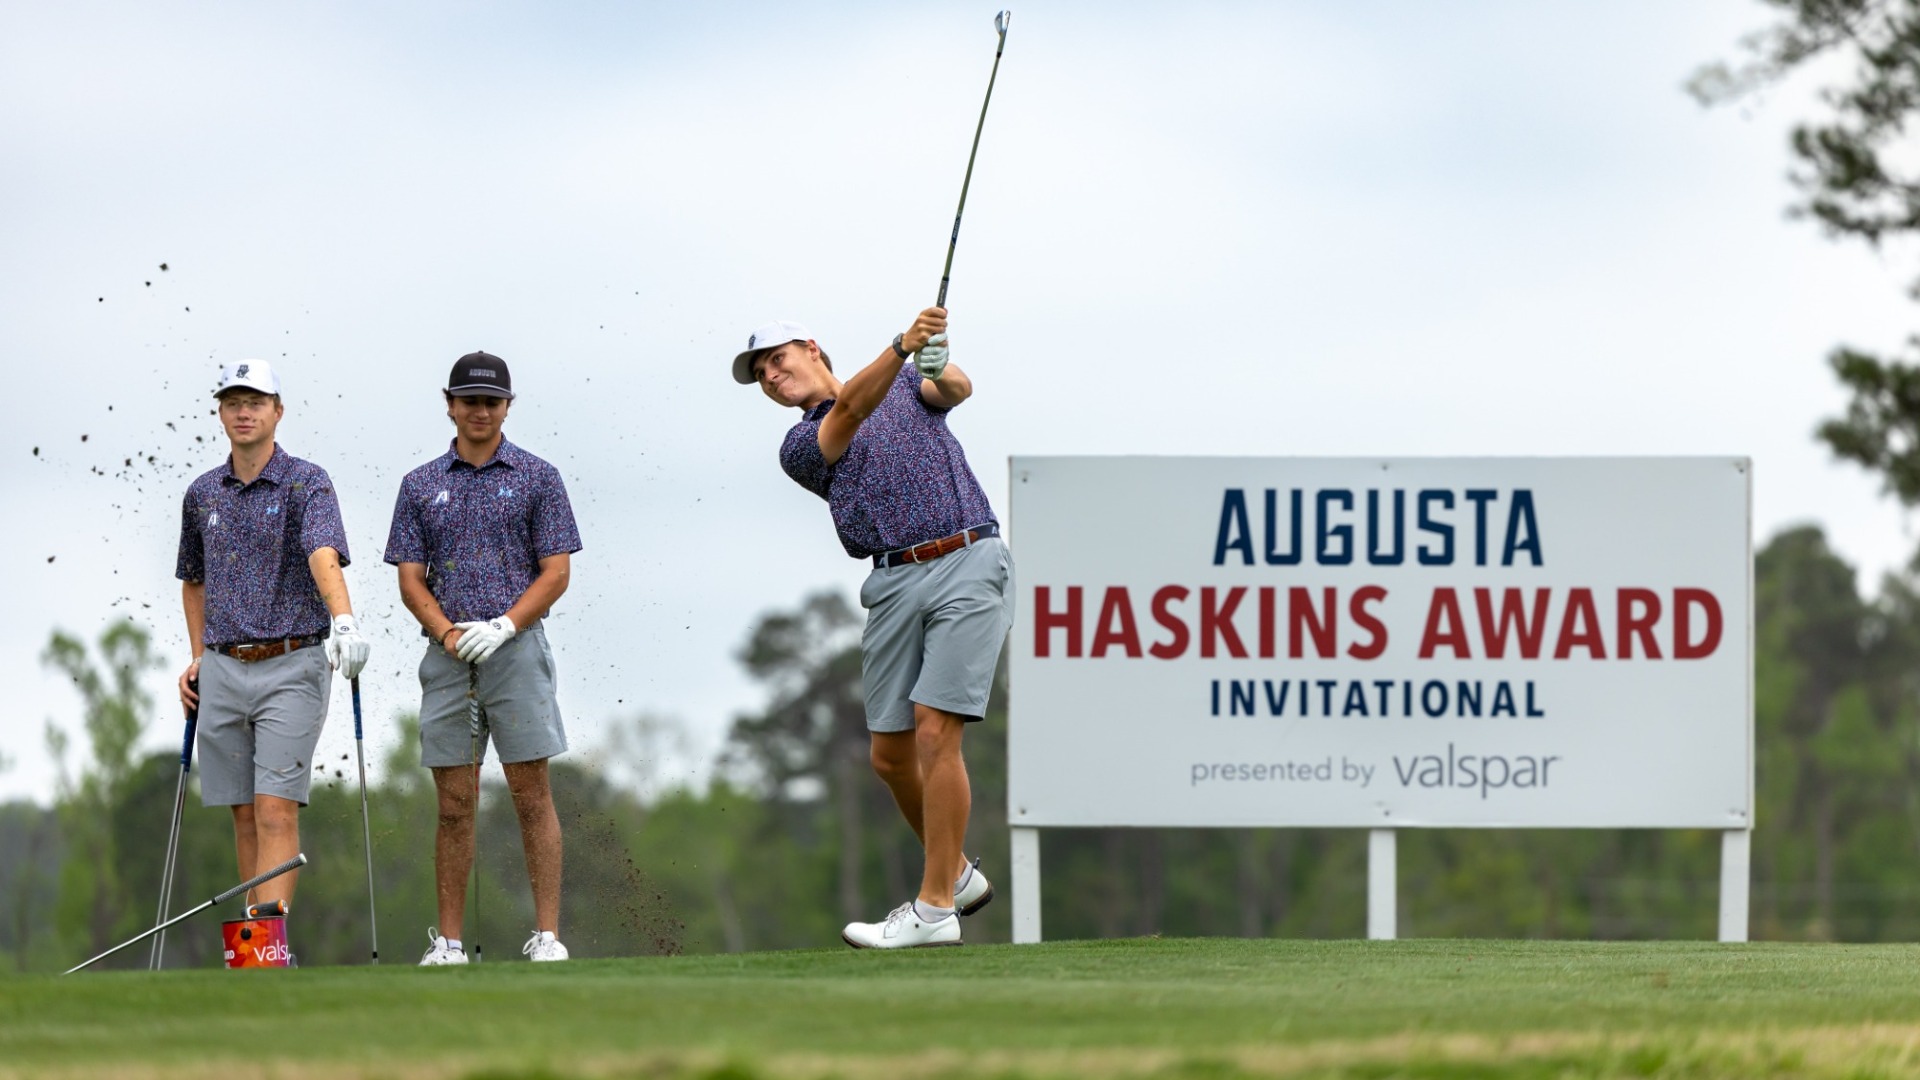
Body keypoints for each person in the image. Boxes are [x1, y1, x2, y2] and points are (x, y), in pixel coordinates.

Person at [734, 309, 1013, 948]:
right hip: (890, 582)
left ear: (810, 348)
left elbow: (954, 390)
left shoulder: (904, 382)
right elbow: (851, 413)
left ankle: (935, 908)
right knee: (890, 756)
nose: (772, 377)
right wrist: (900, 346)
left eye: (777, 360)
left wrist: (935, 364)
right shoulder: (800, 445)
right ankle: (959, 873)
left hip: (967, 558)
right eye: (761, 376)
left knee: (936, 731)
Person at [386, 351, 581, 965]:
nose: (479, 410)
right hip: (447, 658)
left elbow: (556, 573)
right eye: (468, 400)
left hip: (517, 650)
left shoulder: (538, 476)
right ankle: (447, 943)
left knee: (530, 794)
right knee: (454, 803)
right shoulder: (419, 484)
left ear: (507, 407)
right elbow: (411, 580)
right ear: (449, 404)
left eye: (491, 401)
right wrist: (448, 634)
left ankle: (547, 936)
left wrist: (505, 624)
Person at [175, 359, 371, 942]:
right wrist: (197, 655)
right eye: (234, 401)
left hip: (293, 662)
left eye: (256, 401)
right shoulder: (202, 492)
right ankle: (255, 952)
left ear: (277, 412)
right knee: (242, 814)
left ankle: (267, 946)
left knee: (275, 809)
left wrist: (345, 620)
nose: (244, 411)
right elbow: (194, 578)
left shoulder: (306, 481)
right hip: (225, 666)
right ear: (220, 412)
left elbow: (322, 551)